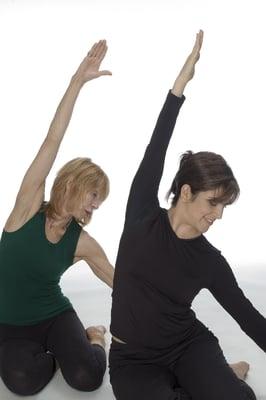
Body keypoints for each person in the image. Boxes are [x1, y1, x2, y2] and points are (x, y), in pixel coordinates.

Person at [109, 31, 263, 399]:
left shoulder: (209, 261)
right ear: (187, 192)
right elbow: (157, 144)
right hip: (133, 360)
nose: (219, 215)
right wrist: (179, 85)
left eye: (225, 206)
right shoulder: (141, 212)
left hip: (187, 347)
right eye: (214, 202)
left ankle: (224, 380)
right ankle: (223, 376)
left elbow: (248, 316)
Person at [0, 40, 114, 395]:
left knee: (86, 378)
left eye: (100, 201)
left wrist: (168, 305)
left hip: (54, 317)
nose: (95, 206)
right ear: (73, 184)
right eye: (93, 196)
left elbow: (121, 281)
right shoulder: (27, 208)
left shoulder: (81, 241)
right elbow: (52, 139)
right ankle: (53, 354)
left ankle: (93, 339)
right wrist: (76, 82)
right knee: (22, 383)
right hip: (8, 324)